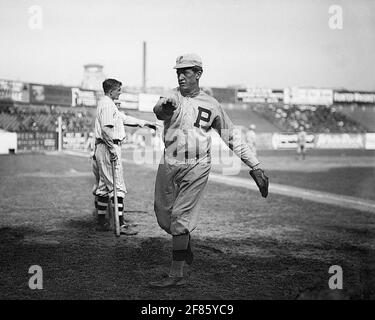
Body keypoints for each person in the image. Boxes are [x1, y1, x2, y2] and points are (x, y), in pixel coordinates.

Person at [150, 54, 268, 288]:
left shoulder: (212, 104)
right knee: (164, 216)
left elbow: (231, 135)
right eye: (178, 72)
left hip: (198, 164)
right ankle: (183, 240)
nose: (181, 76)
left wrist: (255, 165)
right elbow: (158, 111)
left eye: (186, 72)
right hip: (170, 161)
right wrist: (164, 107)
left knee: (181, 218)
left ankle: (176, 274)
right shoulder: (171, 96)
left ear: (199, 74)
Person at [94, 78, 156, 235]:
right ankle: (120, 224)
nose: (120, 92)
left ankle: (102, 222)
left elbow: (125, 119)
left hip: (103, 147)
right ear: (112, 91)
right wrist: (113, 150)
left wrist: (146, 123)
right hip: (109, 146)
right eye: (119, 90)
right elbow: (107, 130)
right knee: (118, 186)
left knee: (103, 187)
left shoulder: (106, 104)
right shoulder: (108, 105)